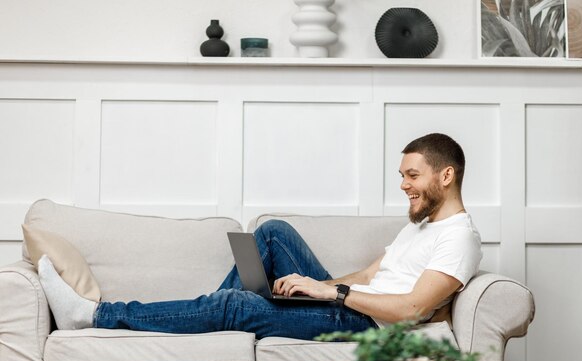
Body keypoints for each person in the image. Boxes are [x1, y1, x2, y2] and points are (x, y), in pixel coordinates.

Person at [37, 133, 482, 340]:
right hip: (350, 304)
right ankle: (217, 322)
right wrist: (318, 287)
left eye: (412, 175)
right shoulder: (420, 225)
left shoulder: (459, 238)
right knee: (271, 233)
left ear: (446, 175)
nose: (404, 184)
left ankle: (96, 316)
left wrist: (332, 295)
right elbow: (371, 273)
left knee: (235, 304)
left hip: (365, 323)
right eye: (401, 175)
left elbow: (412, 308)